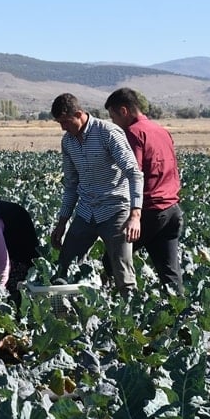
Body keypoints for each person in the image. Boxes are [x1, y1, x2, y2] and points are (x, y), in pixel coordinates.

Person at [49, 93, 144, 298]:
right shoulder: (68, 142)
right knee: (66, 264)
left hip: (115, 209)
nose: (63, 128)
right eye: (59, 123)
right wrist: (62, 222)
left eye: (65, 122)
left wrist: (135, 216)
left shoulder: (108, 133)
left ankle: (132, 319)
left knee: (123, 272)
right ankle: (66, 314)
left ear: (79, 114)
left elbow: (133, 173)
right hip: (86, 211)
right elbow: (71, 184)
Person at [105, 87, 185, 295]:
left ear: (124, 111)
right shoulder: (161, 131)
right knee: (169, 273)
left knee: (112, 259)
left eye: (113, 117)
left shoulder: (133, 133)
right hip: (172, 210)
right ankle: (182, 318)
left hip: (149, 211)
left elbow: (133, 173)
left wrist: (133, 215)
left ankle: (119, 309)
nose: (114, 123)